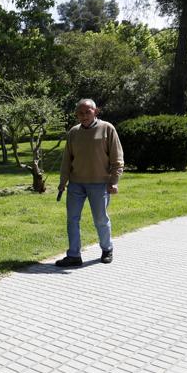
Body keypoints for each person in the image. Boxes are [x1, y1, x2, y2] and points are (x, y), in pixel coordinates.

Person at [55, 99, 124, 267]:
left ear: (96, 111)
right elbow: (67, 160)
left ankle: (107, 249)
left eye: (88, 112)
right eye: (80, 113)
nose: (84, 116)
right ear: (77, 115)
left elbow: (117, 159)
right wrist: (63, 181)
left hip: (99, 184)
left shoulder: (107, 129)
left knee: (100, 219)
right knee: (72, 219)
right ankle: (74, 256)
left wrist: (114, 181)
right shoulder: (73, 132)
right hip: (76, 184)